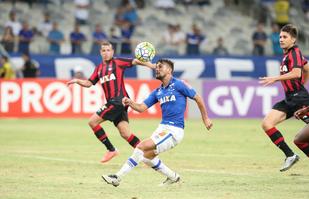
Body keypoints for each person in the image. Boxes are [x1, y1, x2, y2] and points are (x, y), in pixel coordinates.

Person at [102, 59, 213, 187]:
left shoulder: (179, 84)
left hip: (174, 130)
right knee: (146, 156)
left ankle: (117, 177)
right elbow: (141, 108)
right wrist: (130, 102)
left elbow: (198, 98)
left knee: (141, 146)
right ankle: (173, 177)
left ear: (169, 70)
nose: (157, 69)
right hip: (162, 128)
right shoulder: (158, 91)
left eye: (160, 67)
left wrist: (205, 118)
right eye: (156, 67)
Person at [66, 41, 155, 163]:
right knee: (125, 133)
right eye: (104, 50)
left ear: (112, 52)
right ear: (100, 52)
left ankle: (111, 150)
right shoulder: (98, 69)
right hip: (118, 103)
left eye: (108, 50)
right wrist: (77, 80)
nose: (106, 53)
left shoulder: (118, 62)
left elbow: (135, 61)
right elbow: (89, 83)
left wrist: (152, 65)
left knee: (92, 122)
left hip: (118, 101)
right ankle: (147, 156)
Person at [259, 24, 309, 172]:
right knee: (267, 123)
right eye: (280, 37)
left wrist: (275, 78)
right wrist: (301, 84)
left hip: (300, 99)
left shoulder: (294, 53)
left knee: (303, 139)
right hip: (290, 99)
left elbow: (296, 73)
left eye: (285, 37)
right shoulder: (290, 54)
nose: (281, 39)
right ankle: (290, 155)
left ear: (293, 39)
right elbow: (307, 69)